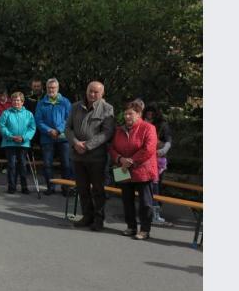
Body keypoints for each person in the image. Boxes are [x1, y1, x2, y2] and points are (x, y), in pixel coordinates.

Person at [65, 81, 116, 231]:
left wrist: (87, 146)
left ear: (102, 94)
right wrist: (75, 143)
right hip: (77, 156)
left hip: (96, 157)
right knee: (82, 188)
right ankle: (87, 216)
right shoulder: (75, 107)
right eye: (90, 91)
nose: (92, 95)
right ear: (86, 91)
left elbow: (107, 133)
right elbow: (68, 128)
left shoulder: (107, 109)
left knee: (98, 190)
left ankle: (98, 219)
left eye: (96, 92)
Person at [109, 100, 159, 240]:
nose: (127, 117)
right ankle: (131, 227)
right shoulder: (119, 130)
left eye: (130, 114)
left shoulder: (149, 128)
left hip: (143, 170)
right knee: (126, 200)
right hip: (122, 169)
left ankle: (144, 230)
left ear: (139, 114)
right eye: (125, 114)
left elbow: (149, 149)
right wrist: (119, 159)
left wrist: (130, 161)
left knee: (145, 202)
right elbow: (112, 148)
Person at [35, 78, 73, 195]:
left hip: (63, 138)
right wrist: (49, 130)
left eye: (53, 88)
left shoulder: (65, 102)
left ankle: (66, 188)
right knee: (47, 164)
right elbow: (38, 120)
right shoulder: (41, 103)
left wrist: (58, 130)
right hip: (47, 138)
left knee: (66, 164)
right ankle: (50, 187)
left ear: (57, 88)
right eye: (49, 88)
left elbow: (69, 118)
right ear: (46, 88)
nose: (51, 90)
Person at [0, 92, 37, 194]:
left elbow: (32, 128)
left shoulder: (29, 114)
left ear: (22, 102)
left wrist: (24, 138)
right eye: (14, 100)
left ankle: (24, 187)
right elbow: (2, 126)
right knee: (11, 165)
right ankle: (12, 187)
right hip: (9, 143)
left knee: (23, 165)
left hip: (23, 143)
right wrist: (11, 136)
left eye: (18, 100)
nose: (16, 102)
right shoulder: (6, 113)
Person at [143, 103, 173, 224]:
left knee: (155, 187)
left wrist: (162, 151)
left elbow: (168, 140)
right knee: (144, 187)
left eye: (152, 113)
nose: (149, 115)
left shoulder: (163, 125)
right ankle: (145, 211)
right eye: (148, 113)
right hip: (143, 159)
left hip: (158, 160)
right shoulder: (141, 123)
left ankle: (155, 213)